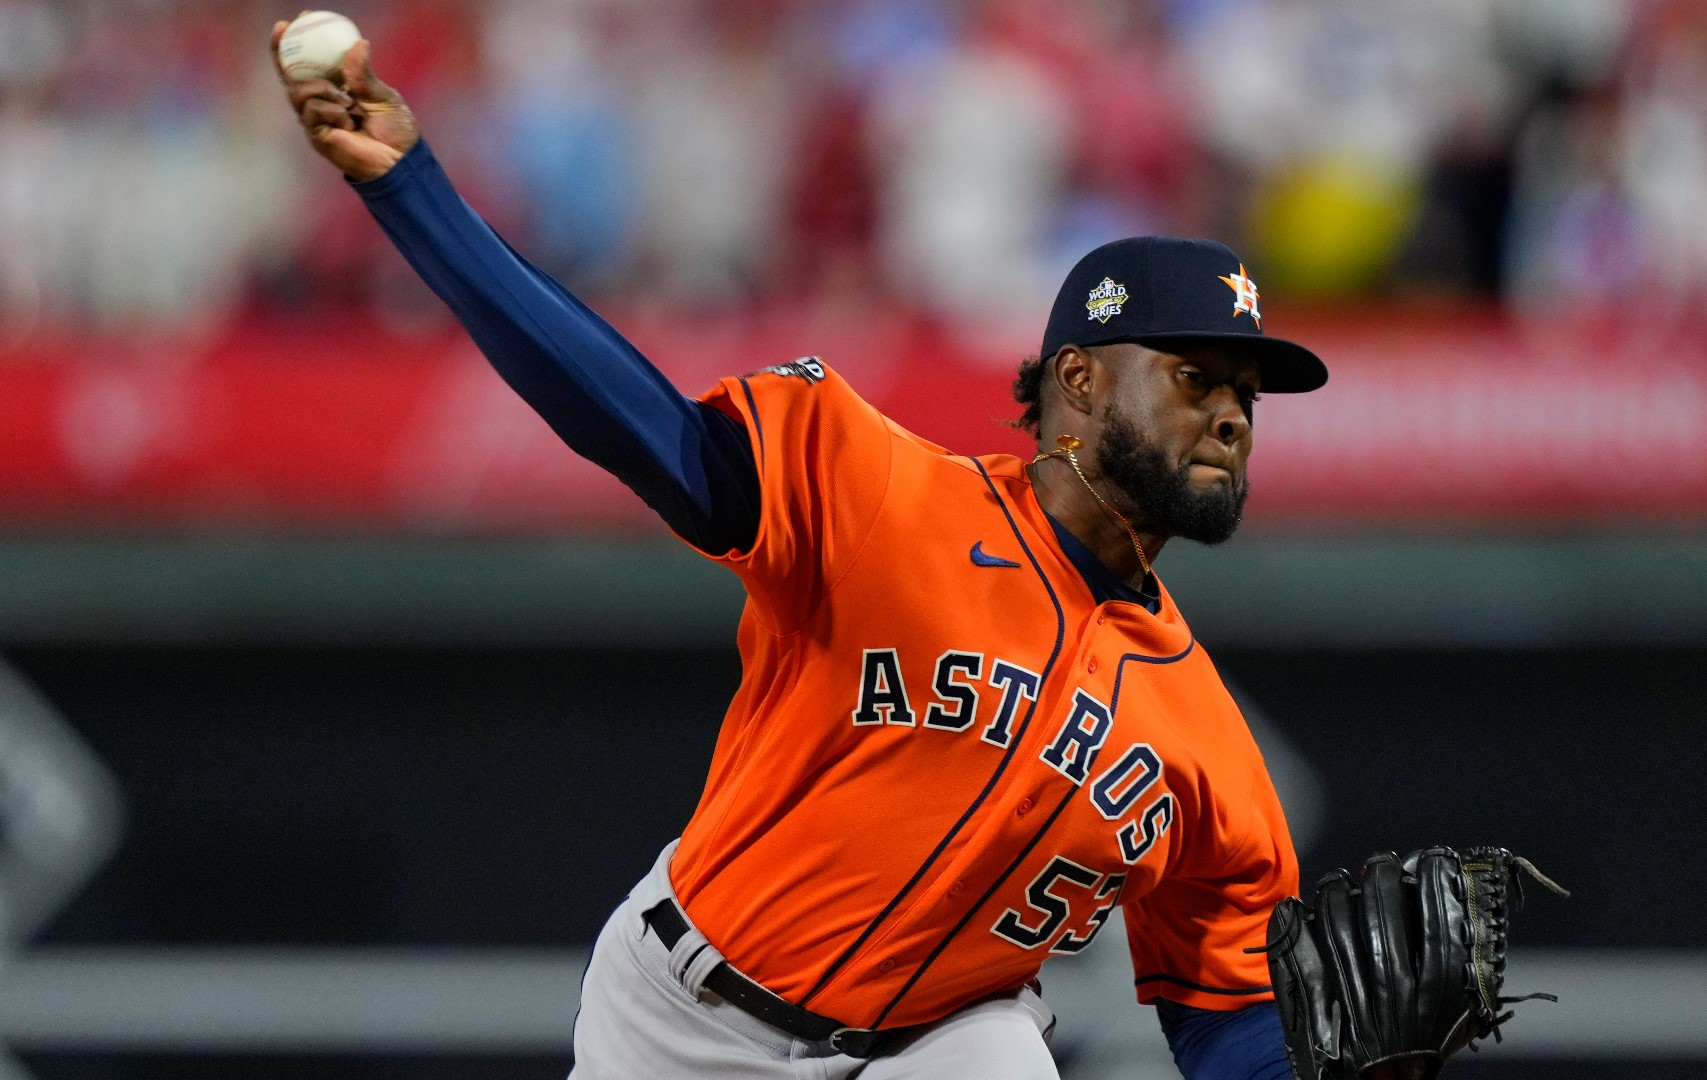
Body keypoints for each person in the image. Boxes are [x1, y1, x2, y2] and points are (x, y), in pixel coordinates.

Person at [272, 24, 1427, 1080]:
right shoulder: (878, 489)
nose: (1231, 412)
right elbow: (636, 425)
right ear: (1078, 379)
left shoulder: (1213, 754)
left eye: (1245, 393)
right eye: (1194, 377)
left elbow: (1227, 1017)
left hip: (938, 1046)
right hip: (683, 1021)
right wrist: (420, 198)